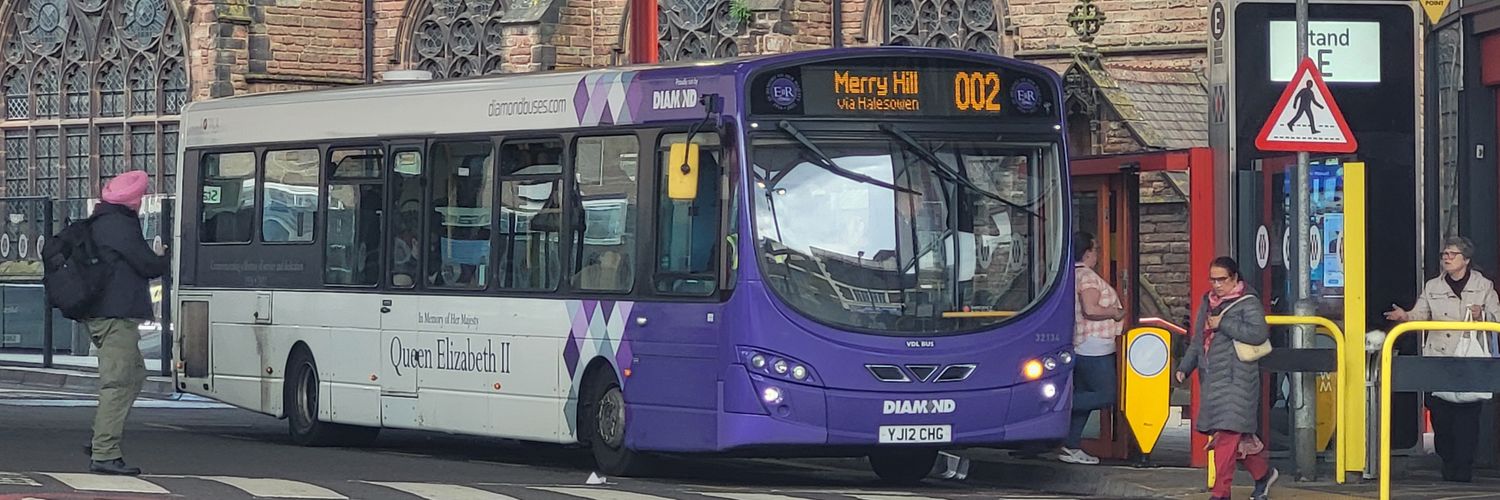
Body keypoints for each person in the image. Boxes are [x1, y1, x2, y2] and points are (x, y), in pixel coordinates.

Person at [1384, 236, 1499, 482]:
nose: (1446, 258)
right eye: (1444, 254)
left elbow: (1496, 319)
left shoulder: (1484, 286)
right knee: (1441, 416)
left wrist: (1483, 315)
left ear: (1466, 260)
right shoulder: (1433, 286)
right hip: (1439, 356)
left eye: (1452, 254)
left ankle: (1463, 469)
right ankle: (1447, 462)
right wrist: (1405, 316)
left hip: (1469, 357)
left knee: (1468, 416)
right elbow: (1420, 313)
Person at [82, 171, 168, 475]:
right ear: (135, 201)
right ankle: (104, 453)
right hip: (113, 315)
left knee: (134, 375)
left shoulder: (102, 221)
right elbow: (147, 264)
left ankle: (100, 439)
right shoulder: (119, 226)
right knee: (119, 382)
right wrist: (163, 258)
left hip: (105, 313)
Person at [1176, 257, 1278, 500]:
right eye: (1213, 279)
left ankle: (1220, 493)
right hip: (1213, 379)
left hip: (1239, 380)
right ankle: (1264, 475)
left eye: (1222, 279)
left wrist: (1224, 323)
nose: (1217, 285)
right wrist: (1185, 367)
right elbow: (1198, 338)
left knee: (1226, 436)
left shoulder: (1248, 302)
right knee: (1235, 436)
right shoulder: (1207, 302)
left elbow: (1258, 332)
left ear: (1235, 278)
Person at [1060, 231, 1124, 465]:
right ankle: (1055, 407)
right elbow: (1091, 309)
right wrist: (1116, 312)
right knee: (1106, 394)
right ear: (1087, 253)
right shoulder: (1086, 277)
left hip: (1083, 344)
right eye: (1096, 249)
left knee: (1087, 394)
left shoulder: (1070, 275)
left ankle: (1071, 445)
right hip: (1094, 346)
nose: (1098, 253)